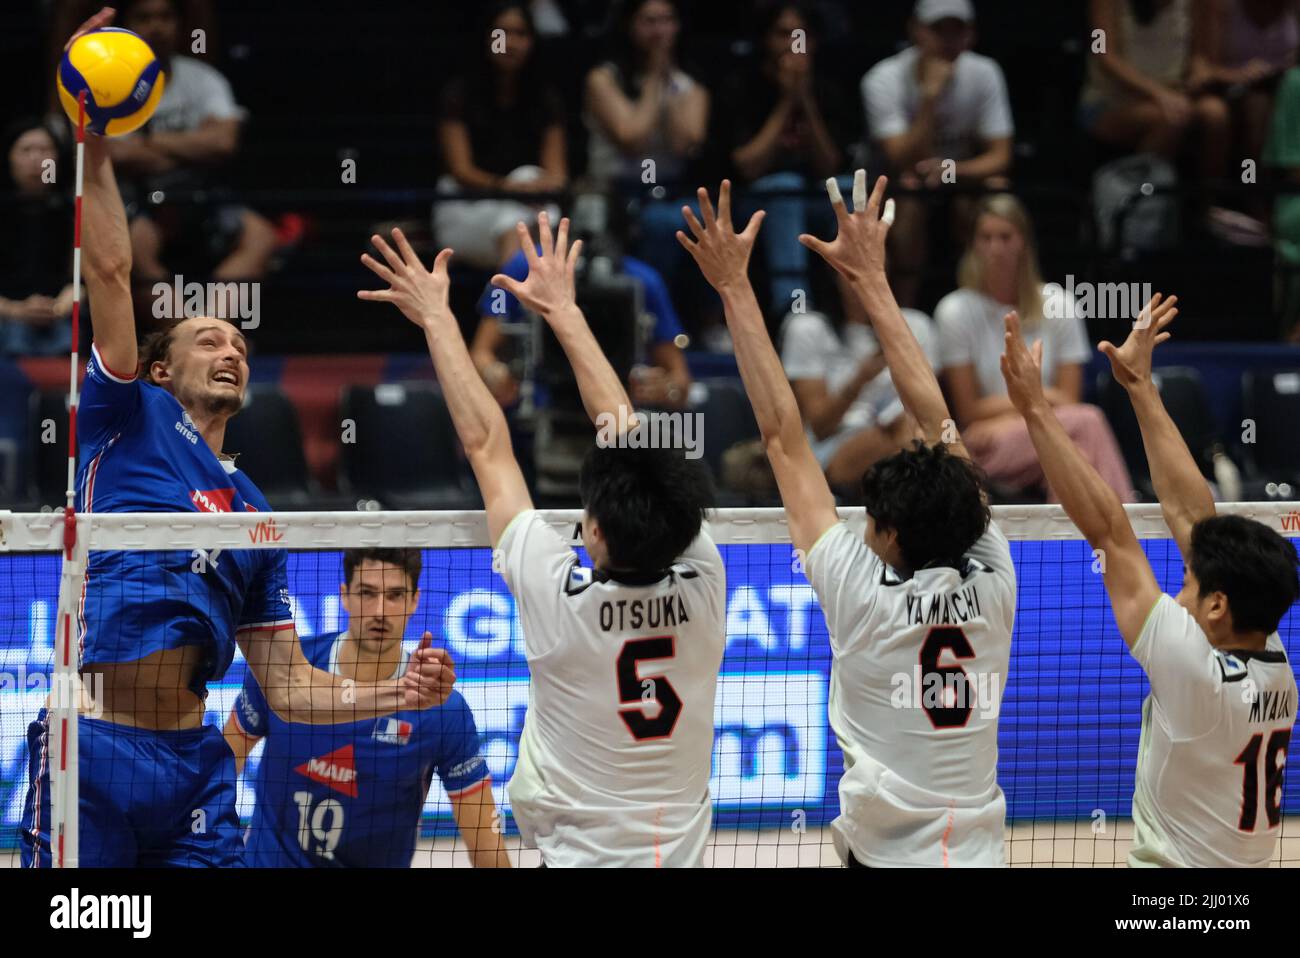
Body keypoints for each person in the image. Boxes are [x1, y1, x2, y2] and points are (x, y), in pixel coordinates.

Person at [19, 6, 453, 871]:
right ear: (158, 369)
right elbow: (109, 270)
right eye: (207, 339)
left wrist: (392, 691)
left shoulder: (254, 512)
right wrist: (93, 143)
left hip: (194, 768)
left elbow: (288, 688)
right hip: (92, 750)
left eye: (240, 344)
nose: (230, 348)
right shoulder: (124, 415)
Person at [358, 211, 724, 867]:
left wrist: (442, 319)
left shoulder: (561, 600)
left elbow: (487, 445)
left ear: (594, 532)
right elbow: (625, 434)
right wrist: (566, 310)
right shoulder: (707, 582)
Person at [678, 173, 1016, 866]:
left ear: (889, 536)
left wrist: (735, 288)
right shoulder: (997, 572)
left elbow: (783, 438)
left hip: (883, 856)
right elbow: (937, 420)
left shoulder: (859, 594)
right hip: (980, 852)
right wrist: (876, 281)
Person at [1002, 291, 1299, 867]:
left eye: (1187, 580)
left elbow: (1111, 532)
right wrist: (1139, 387)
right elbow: (1195, 519)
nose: (1179, 585)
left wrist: (1035, 409)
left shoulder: (1194, 672)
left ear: (1216, 607)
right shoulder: (1274, 661)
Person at [224, 548, 509, 868]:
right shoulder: (283, 672)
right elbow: (220, 765)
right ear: (345, 596)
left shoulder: (442, 710)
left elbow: (486, 841)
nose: (380, 611)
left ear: (415, 600)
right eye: (367, 593)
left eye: (395, 595)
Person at [935, 194, 1135, 502]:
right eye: (985, 238)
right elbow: (969, 410)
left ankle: (1079, 546)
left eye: (1005, 237)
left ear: (1023, 242)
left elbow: (1068, 398)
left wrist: (1022, 410)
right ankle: (1125, 535)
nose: (994, 248)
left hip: (1050, 430)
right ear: (973, 245)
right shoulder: (954, 310)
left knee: (1076, 451)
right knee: (1087, 422)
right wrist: (1043, 398)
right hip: (985, 444)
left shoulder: (1059, 304)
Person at [112, 0, 280, 289]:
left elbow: (224, 142)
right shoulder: (112, 82)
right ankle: (180, 332)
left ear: (179, 25)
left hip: (200, 192)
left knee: (261, 236)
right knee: (133, 249)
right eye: (144, 18)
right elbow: (119, 153)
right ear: (127, 26)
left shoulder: (202, 78)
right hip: (140, 196)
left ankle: (209, 326)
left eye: (165, 17)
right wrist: (193, 148)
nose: (156, 27)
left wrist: (147, 140)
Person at [861, 0, 1014, 307]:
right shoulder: (882, 79)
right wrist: (930, 98)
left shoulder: (985, 73)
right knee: (910, 194)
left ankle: (987, 303)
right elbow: (900, 158)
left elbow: (1001, 156)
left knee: (997, 194)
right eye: (937, 29)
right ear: (916, 30)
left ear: (970, 35)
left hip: (957, 176)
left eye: (956, 30)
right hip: (900, 180)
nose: (947, 40)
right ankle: (903, 311)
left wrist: (951, 171)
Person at [719, 1, 856, 312]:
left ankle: (859, 313)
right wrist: (786, 102)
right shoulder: (744, 86)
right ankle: (794, 310)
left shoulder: (827, 91)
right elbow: (748, 167)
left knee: (847, 192)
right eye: (784, 35)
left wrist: (804, 99)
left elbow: (829, 165)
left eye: (802, 35)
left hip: (814, 193)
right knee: (785, 188)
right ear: (767, 39)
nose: (794, 45)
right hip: (754, 201)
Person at [471, 241, 691, 409]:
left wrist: (666, 389)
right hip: (538, 407)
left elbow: (681, 382)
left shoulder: (645, 282)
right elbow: (481, 352)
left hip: (616, 411)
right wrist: (494, 373)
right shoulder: (521, 267)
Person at [584, 0, 709, 292]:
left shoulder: (690, 84)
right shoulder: (603, 78)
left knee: (707, 219)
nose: (659, 30)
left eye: (666, 21)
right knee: (661, 224)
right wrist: (654, 76)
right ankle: (653, 310)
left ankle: (708, 323)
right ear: (629, 26)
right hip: (616, 193)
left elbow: (685, 143)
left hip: (669, 190)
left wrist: (668, 79)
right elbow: (631, 138)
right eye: (649, 21)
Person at [434, 2, 567, 269]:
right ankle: (509, 309)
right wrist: (507, 187)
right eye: (502, 33)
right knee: (521, 227)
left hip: (525, 205)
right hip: (466, 205)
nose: (512, 42)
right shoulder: (460, 94)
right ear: (486, 37)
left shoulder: (545, 98)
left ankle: (499, 308)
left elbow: (557, 175)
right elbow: (461, 170)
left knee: (531, 200)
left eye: (521, 34)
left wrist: (534, 187)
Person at [779, 268, 933, 489]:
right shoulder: (808, 327)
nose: (863, 276)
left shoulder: (914, 324)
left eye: (872, 265)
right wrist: (862, 377)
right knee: (914, 441)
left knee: (924, 432)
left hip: (898, 432)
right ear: (835, 275)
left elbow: (927, 410)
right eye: (849, 269)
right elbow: (821, 427)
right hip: (829, 447)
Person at [1079, 0, 1229, 184]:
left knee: (1215, 113)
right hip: (1113, 100)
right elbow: (1104, 54)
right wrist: (1157, 93)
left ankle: (1208, 204)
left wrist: (1199, 72)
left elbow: (1199, 55)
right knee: (1171, 120)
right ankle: (1142, 198)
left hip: (1175, 93)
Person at [0, 118, 75, 357]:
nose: (37, 159)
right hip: (6, 316)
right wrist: (16, 310)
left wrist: (60, 306)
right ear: (9, 159)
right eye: (26, 150)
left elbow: (83, 281)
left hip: (59, 316)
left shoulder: (72, 212)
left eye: (44, 150)